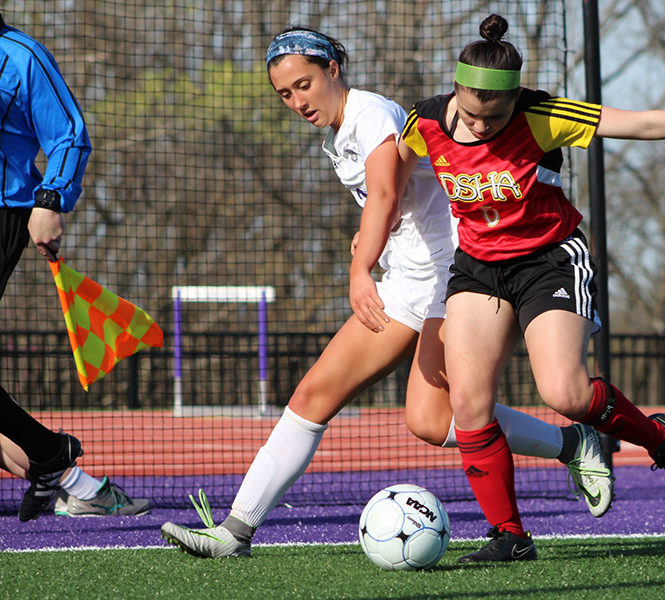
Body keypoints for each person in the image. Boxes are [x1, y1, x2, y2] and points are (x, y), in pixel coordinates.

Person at [160, 26, 613, 559]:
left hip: (457, 275)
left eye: (304, 84)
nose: (297, 101)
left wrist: (359, 269)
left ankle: (557, 466)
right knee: (324, 399)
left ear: (333, 69)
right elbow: (392, 202)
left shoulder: (371, 113)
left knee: (441, 414)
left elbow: (383, 192)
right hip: (406, 280)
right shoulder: (342, 130)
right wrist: (377, 240)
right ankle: (234, 533)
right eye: (285, 94)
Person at [398, 14, 665, 562]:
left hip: (550, 261)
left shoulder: (543, 115)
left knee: (565, 394)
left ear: (514, 99)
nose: (480, 127)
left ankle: (660, 441)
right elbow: (392, 172)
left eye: (493, 117)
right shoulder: (421, 122)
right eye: (471, 115)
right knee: (470, 406)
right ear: (454, 92)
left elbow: (645, 122)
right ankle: (510, 537)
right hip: (477, 267)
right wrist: (374, 232)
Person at [0, 15, 151, 520]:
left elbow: (69, 134)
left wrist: (50, 198)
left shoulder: (20, 55)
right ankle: (56, 465)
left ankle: (58, 466)